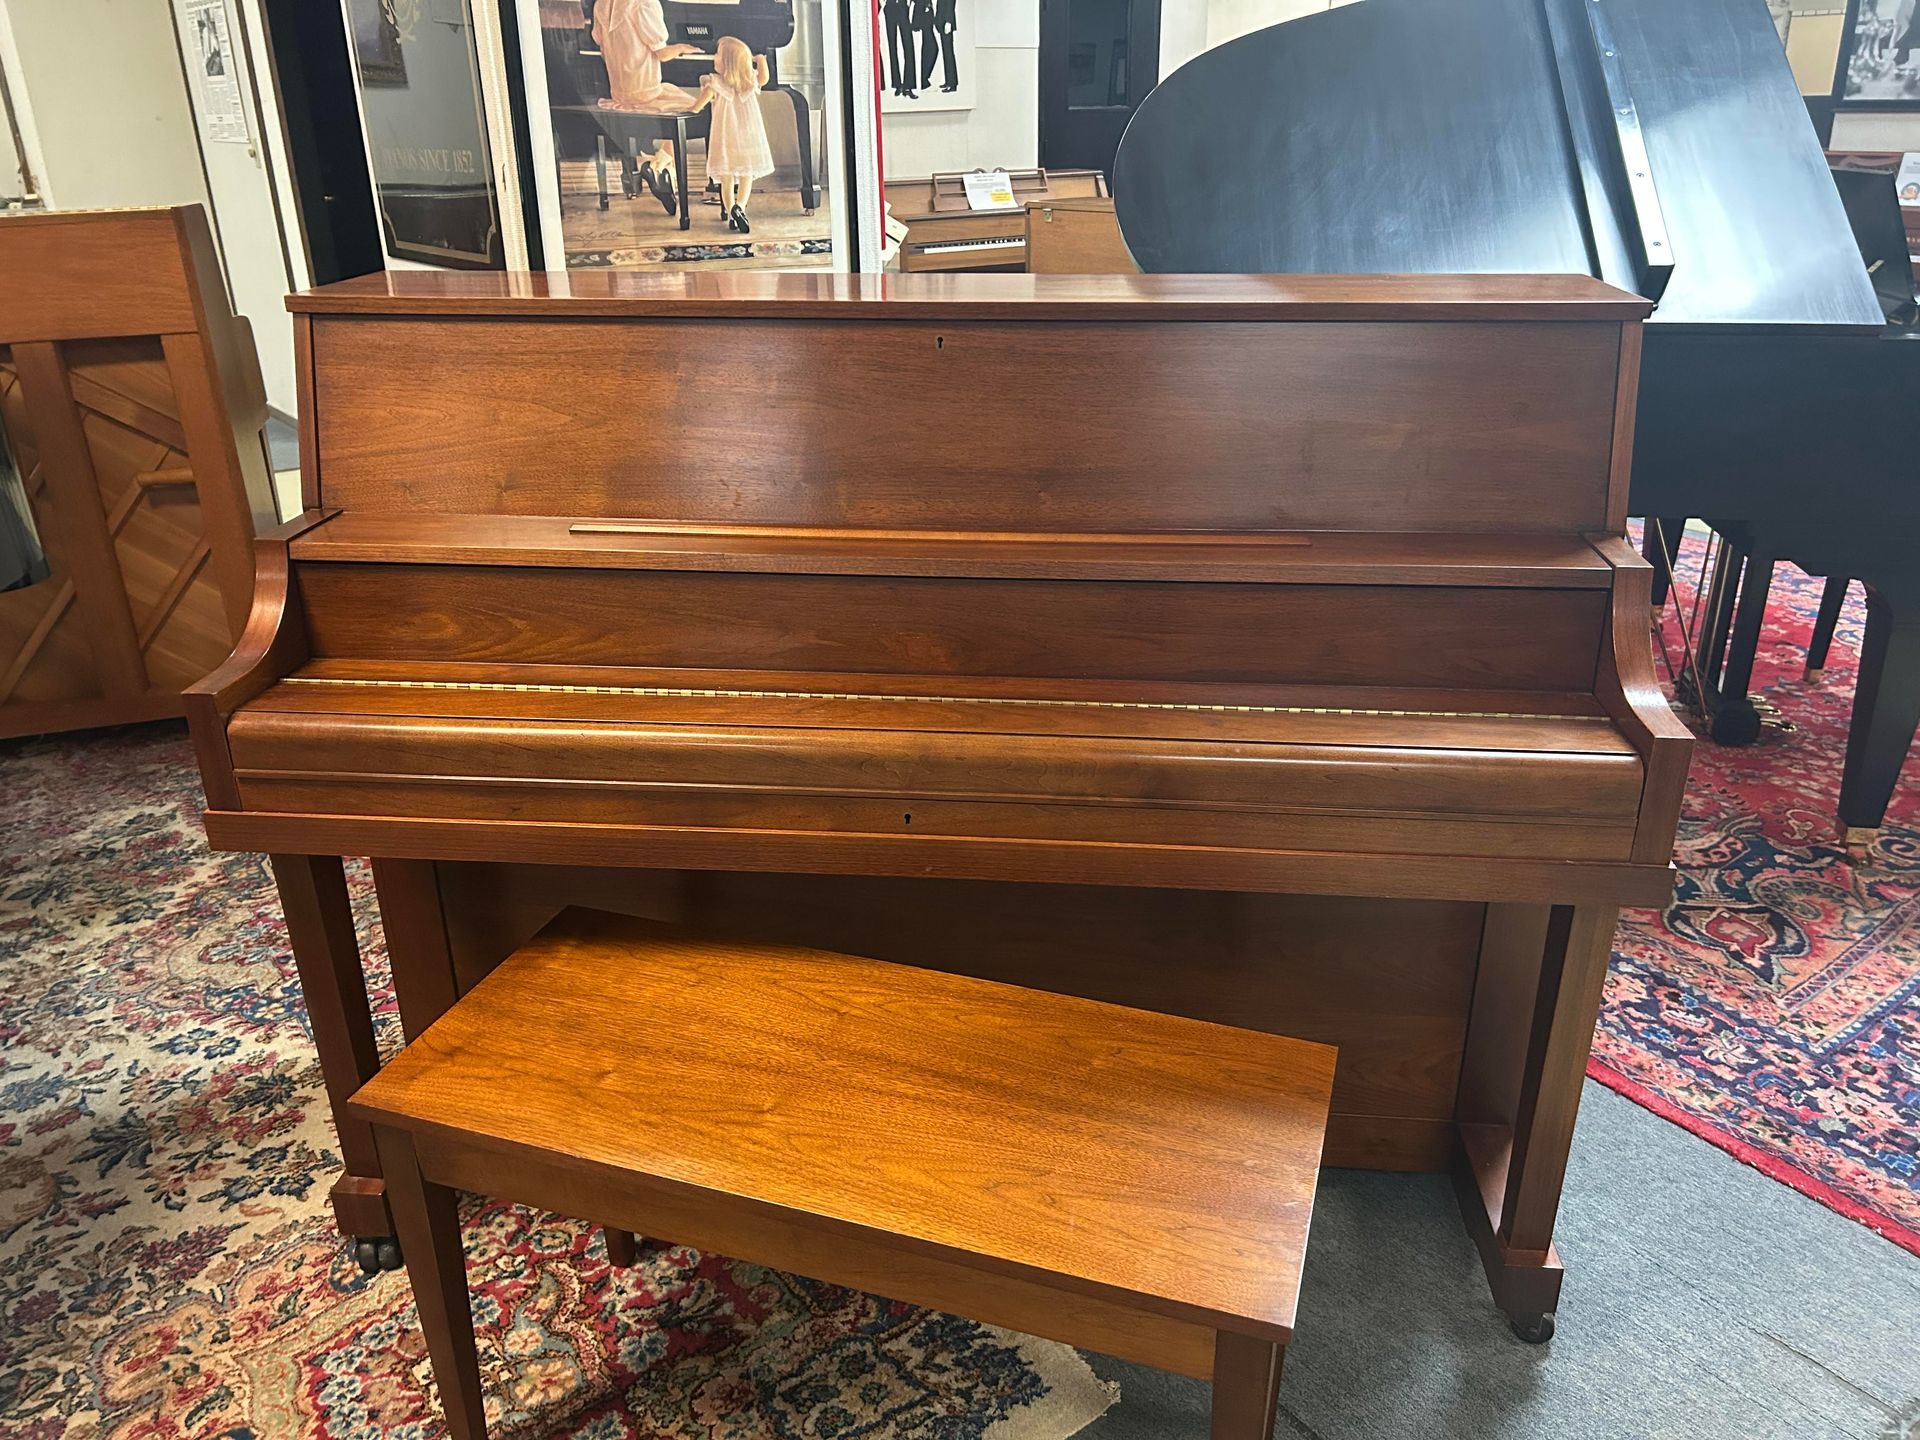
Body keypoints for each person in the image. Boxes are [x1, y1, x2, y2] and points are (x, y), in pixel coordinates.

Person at [691, 36, 774, 234]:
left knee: (726, 180)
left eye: (718, 54)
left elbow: (695, 107)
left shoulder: (714, 84)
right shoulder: (750, 81)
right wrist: (761, 60)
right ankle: (740, 208)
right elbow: (764, 78)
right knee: (746, 176)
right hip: (748, 138)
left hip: (725, 140)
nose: (714, 57)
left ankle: (731, 213)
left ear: (726, 62)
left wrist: (690, 106)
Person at [594, 0, 700, 111]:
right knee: (701, 105)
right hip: (648, 95)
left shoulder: (601, 4)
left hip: (618, 96)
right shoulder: (644, 3)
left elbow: (604, 52)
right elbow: (663, 54)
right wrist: (681, 48)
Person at [883, 0, 917, 97]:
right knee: (892, 48)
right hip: (890, 8)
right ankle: (897, 85)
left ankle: (908, 86)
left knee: (909, 47)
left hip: (903, 8)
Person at [913, 0, 940, 92]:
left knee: (928, 48)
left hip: (925, 13)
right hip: (924, 14)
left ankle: (924, 79)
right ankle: (923, 79)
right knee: (932, 48)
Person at [934, 0, 959, 92]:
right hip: (942, 22)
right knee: (946, 53)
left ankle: (952, 84)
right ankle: (949, 81)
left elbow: (950, 5)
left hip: (946, 23)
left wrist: (949, 22)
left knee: (948, 54)